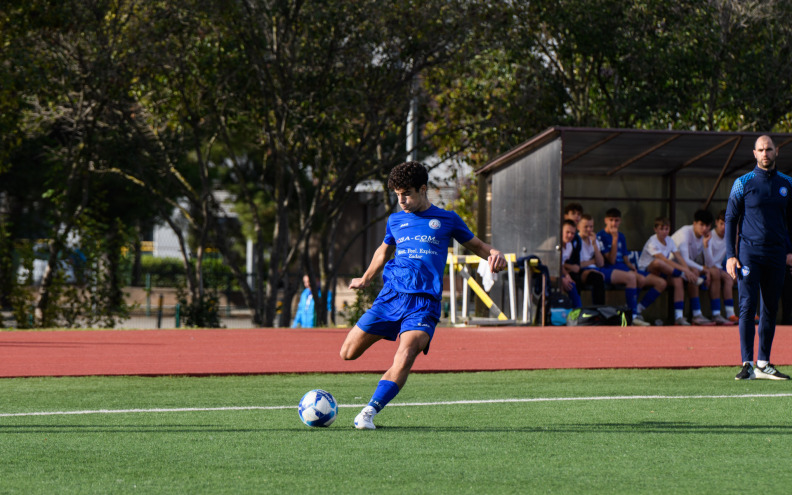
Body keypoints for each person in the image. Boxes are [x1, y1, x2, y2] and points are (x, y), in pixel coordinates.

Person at [340, 161, 507, 429]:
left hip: (424, 303)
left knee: (405, 355)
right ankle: (389, 334)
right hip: (390, 297)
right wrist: (366, 278)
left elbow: (478, 246)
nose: (402, 200)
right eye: (397, 195)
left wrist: (494, 253)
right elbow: (383, 251)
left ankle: (369, 412)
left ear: (423, 189)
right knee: (347, 353)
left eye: (407, 193)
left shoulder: (448, 220)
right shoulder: (395, 220)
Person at [726, 135, 792, 380]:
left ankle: (763, 364)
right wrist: (730, 256)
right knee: (747, 307)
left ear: (777, 151)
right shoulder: (742, 183)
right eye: (761, 150)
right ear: (754, 153)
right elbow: (730, 219)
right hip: (749, 254)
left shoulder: (787, 183)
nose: (765, 153)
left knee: (771, 308)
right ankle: (747, 364)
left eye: (769, 149)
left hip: (776, 255)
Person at [597, 208, 665, 326]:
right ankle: (632, 316)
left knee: (660, 282)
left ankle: (637, 309)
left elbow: (625, 258)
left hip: (623, 268)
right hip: (609, 269)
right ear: (605, 220)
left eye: (616, 220)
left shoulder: (621, 236)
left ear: (620, 221)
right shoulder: (601, 236)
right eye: (611, 220)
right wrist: (614, 238)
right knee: (632, 278)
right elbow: (612, 260)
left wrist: (631, 266)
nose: (614, 223)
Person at [637, 217, 697, 325]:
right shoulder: (652, 242)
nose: (664, 232)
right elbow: (663, 260)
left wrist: (688, 271)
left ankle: (679, 317)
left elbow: (679, 257)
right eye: (661, 229)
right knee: (658, 262)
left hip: (662, 273)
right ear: (655, 229)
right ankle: (682, 275)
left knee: (677, 281)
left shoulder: (670, 240)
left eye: (667, 229)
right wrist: (684, 271)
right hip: (645, 271)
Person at [670, 210, 722, 325]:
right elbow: (685, 260)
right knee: (695, 271)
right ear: (694, 224)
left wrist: (706, 245)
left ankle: (716, 314)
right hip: (671, 267)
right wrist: (704, 270)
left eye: (707, 225)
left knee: (716, 272)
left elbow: (709, 263)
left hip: (687, 268)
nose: (704, 228)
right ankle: (695, 315)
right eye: (701, 225)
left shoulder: (708, 236)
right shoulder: (684, 233)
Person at [704, 209, 737, 323]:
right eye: (722, 223)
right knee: (718, 274)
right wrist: (706, 246)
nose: (724, 227)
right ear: (716, 222)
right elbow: (708, 262)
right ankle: (716, 313)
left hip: (717, 268)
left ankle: (730, 314)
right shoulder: (709, 236)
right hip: (706, 267)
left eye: (727, 224)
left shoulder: (729, 237)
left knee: (729, 278)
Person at [575, 213, 606, 305]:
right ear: (578, 227)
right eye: (586, 227)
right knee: (597, 278)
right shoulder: (576, 240)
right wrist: (592, 261)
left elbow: (600, 263)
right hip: (582, 272)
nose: (589, 230)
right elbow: (578, 265)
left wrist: (594, 244)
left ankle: (601, 309)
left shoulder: (594, 240)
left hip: (596, 269)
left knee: (600, 276)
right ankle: (597, 307)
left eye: (591, 227)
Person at [560, 219, 582, 308]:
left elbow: (561, 265)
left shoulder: (569, 246)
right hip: (547, 275)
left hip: (559, 274)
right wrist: (561, 280)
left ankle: (578, 312)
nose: (570, 235)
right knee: (564, 285)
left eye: (572, 233)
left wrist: (567, 276)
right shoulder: (555, 244)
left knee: (572, 283)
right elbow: (550, 267)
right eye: (567, 232)